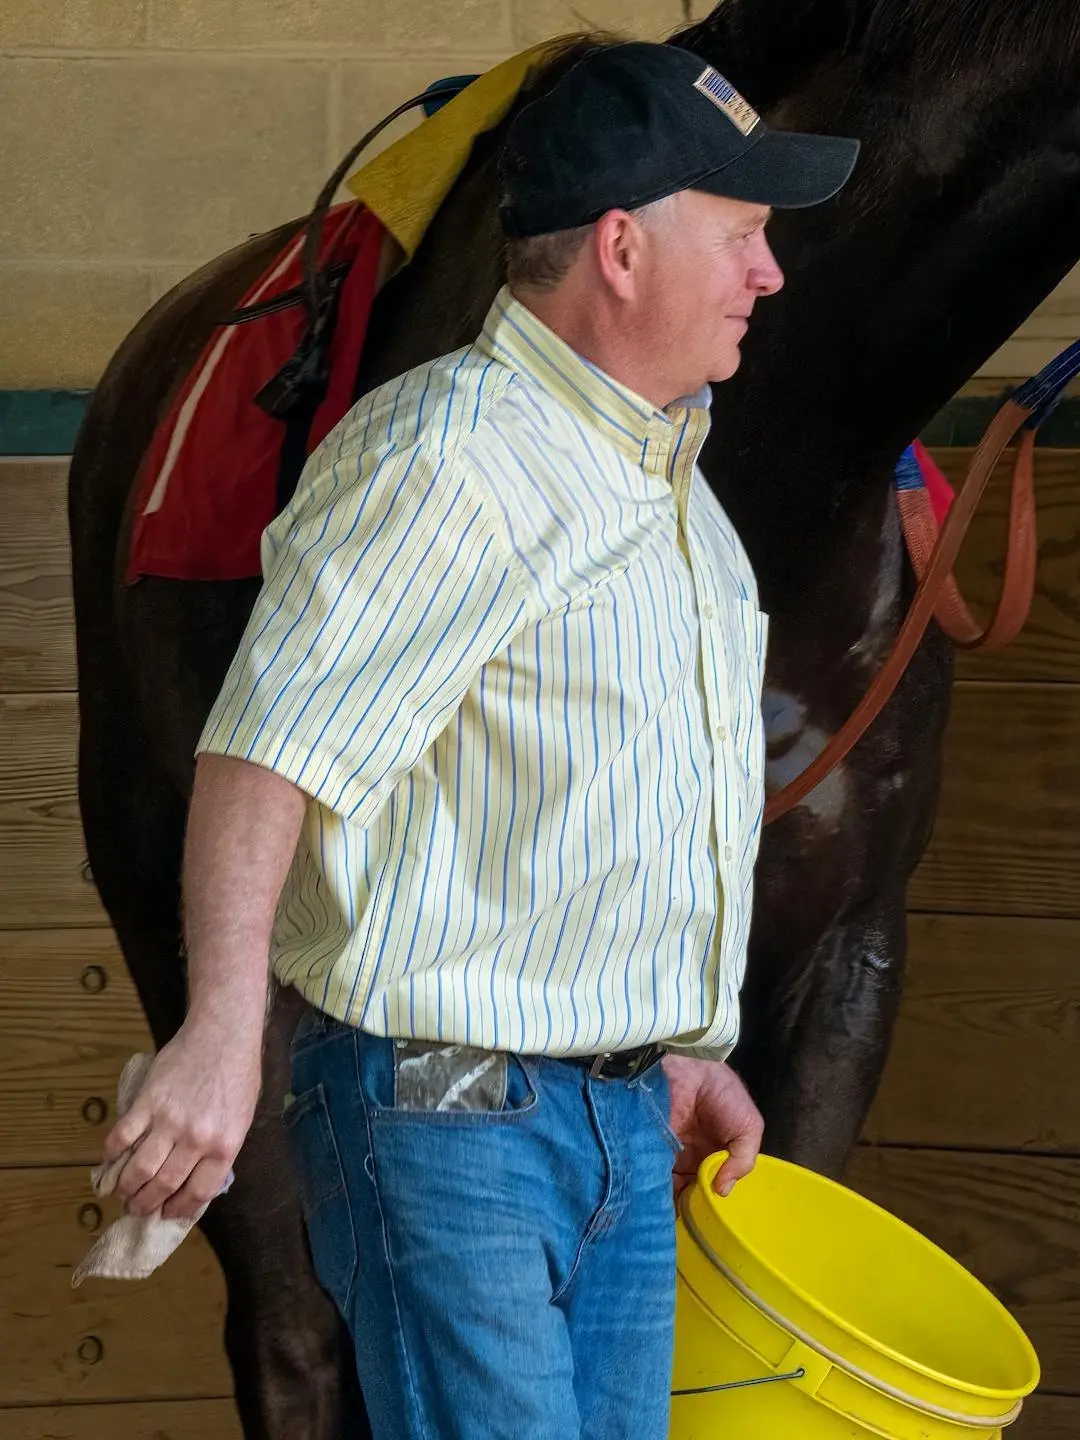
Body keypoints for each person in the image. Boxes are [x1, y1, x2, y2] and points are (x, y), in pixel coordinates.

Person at [96, 42, 859, 1440]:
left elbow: (594, 810)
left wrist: (655, 1046)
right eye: (744, 235)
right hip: (450, 1131)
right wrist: (219, 1033)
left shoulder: (684, 506)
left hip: (622, 1124)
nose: (773, 273)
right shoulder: (447, 460)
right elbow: (267, 751)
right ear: (621, 249)